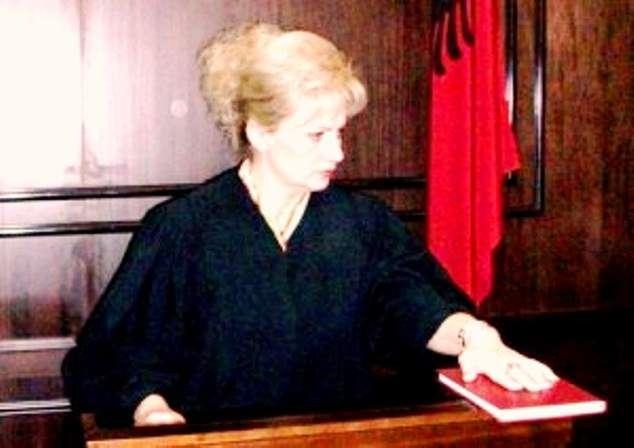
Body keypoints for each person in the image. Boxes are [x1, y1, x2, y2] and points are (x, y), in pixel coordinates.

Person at [62, 22, 557, 427]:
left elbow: (412, 306)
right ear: (259, 132)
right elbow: (119, 355)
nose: (337, 153)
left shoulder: (362, 224)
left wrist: (476, 337)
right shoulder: (183, 229)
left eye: (340, 132)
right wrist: (152, 411)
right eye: (317, 135)